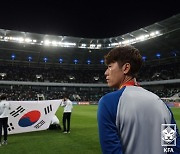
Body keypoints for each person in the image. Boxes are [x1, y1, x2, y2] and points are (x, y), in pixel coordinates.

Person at [97, 45, 180, 154]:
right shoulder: (161, 104)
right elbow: (173, 147)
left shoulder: (108, 102)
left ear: (126, 68)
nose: (106, 72)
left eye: (110, 66)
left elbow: (111, 151)